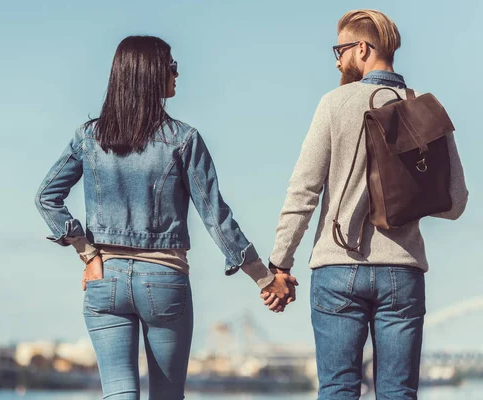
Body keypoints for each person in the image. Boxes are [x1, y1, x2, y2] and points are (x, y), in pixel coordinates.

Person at [34, 35, 297, 400]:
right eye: (171, 66)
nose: (177, 72)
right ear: (150, 73)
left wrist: (87, 253)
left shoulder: (88, 137)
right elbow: (216, 217)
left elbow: (47, 198)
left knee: (119, 395)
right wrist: (265, 279)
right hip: (163, 281)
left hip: (104, 279)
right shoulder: (184, 140)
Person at [263, 9, 468, 399]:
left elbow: (303, 191)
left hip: (338, 269)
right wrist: (409, 194)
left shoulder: (334, 104)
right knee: (398, 392)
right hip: (402, 270)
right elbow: (455, 202)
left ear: (362, 48)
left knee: (338, 389)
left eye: (339, 50)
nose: (337, 61)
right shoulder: (424, 108)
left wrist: (280, 264)